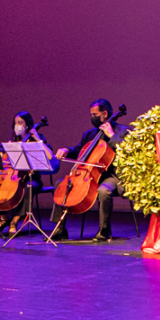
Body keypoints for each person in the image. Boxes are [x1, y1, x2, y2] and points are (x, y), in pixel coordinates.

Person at [51, 99, 130, 242]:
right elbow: (80, 149)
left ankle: (104, 230)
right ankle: (59, 228)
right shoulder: (90, 134)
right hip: (90, 174)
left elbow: (129, 150)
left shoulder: (123, 131)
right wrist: (67, 150)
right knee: (60, 184)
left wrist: (112, 136)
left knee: (103, 190)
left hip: (112, 175)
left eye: (94, 114)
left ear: (105, 114)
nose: (92, 117)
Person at [0, 111, 52, 234]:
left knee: (28, 188)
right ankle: (4, 219)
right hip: (14, 177)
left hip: (32, 179)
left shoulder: (37, 139)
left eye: (20, 123)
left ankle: (15, 220)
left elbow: (50, 156)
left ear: (27, 125)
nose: (17, 126)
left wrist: (37, 138)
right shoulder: (12, 141)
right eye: (15, 123)